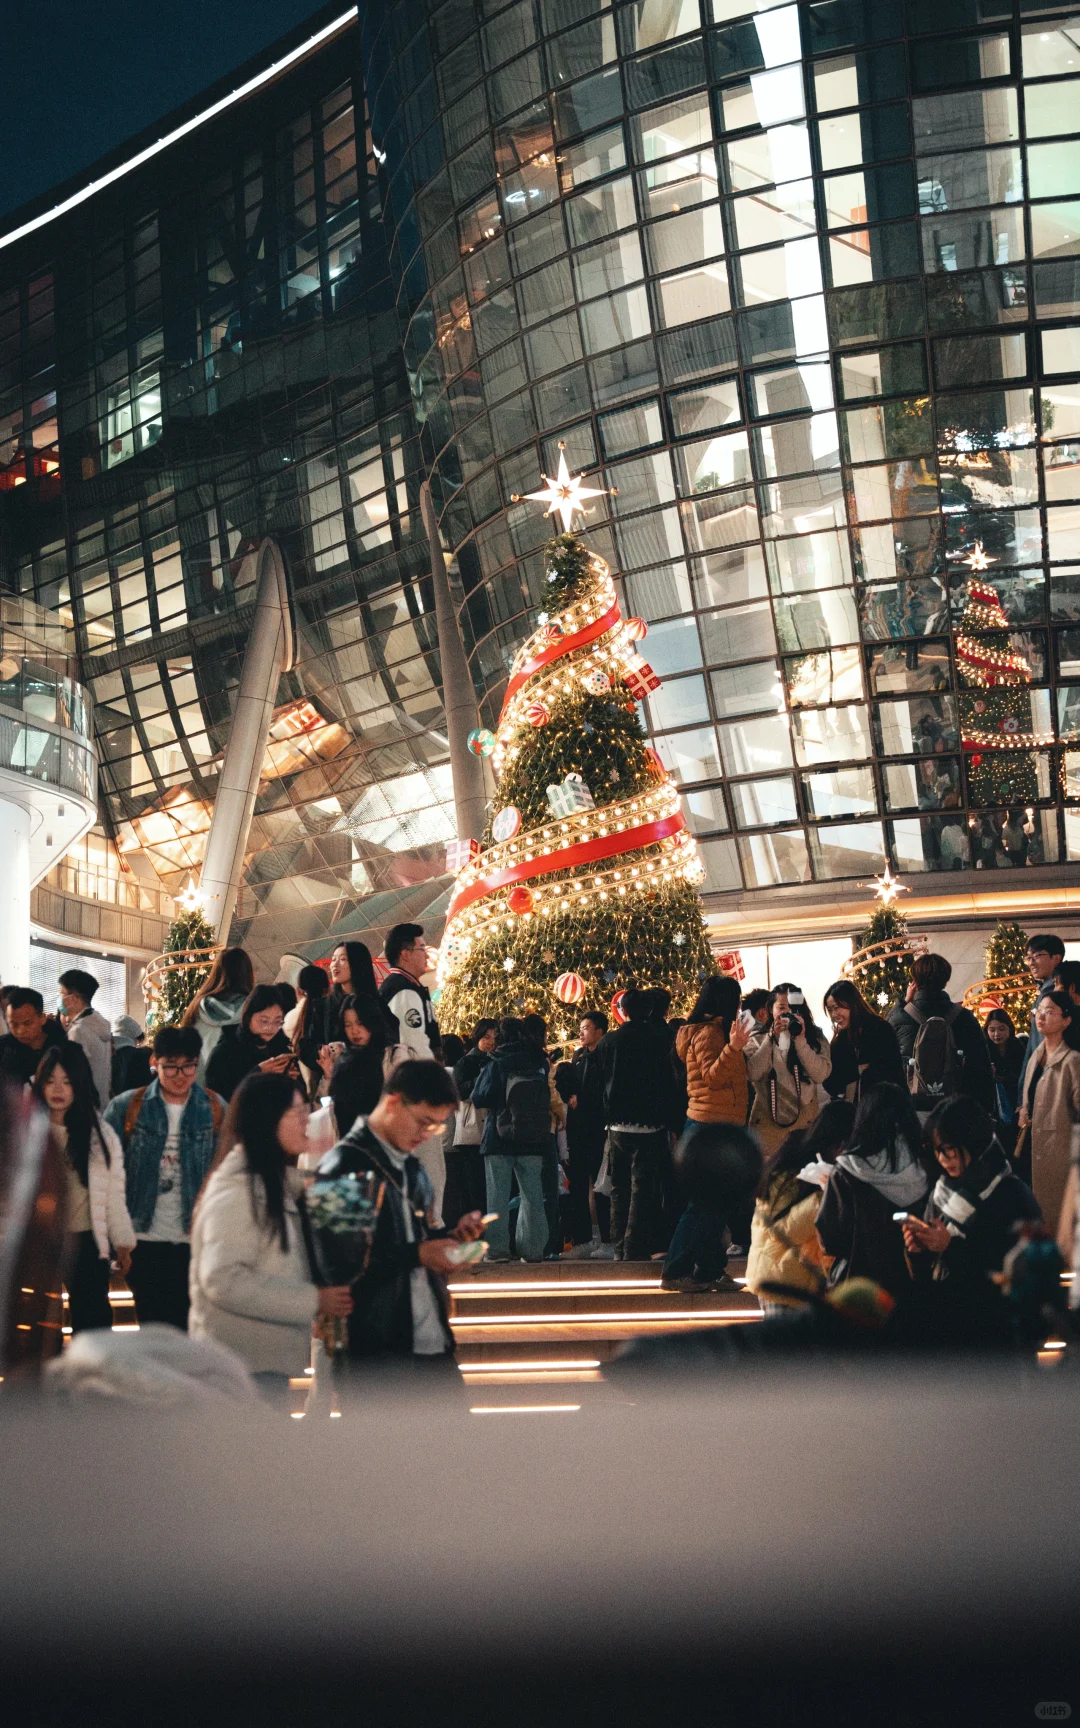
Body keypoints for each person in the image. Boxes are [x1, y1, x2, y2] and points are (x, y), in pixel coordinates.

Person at [316, 1059, 485, 1368]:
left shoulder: (412, 1167)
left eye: (437, 1125)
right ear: (393, 1103)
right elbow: (334, 1268)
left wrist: (449, 1240)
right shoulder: (342, 1164)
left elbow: (414, 1236)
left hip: (432, 1341)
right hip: (374, 1351)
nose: (428, 1134)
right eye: (424, 1122)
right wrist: (419, 1254)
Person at [189, 1072, 353, 1380]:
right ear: (266, 1120)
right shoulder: (238, 1191)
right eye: (299, 1112)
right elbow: (222, 1279)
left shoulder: (272, 1184)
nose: (308, 1121)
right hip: (240, 1366)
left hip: (259, 1360)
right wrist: (314, 1300)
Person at [103, 1024, 224, 1330]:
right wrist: (116, 1237)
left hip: (194, 1236)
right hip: (143, 1235)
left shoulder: (214, 1108)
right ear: (155, 1063)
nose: (180, 1075)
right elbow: (107, 1172)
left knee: (190, 1324)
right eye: (171, 1068)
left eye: (188, 1067)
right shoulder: (127, 1107)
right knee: (152, 1322)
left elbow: (226, 1172)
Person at [32, 1045, 136, 1336]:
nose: (58, 1090)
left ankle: (89, 1379)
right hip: (42, 1242)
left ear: (80, 1085)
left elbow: (113, 1194)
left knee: (93, 1323)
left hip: (87, 1241)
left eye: (67, 1082)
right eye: (50, 1081)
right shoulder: (29, 1133)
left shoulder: (99, 1135)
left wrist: (123, 1240)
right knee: (39, 1327)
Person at [665, 976, 752, 1291]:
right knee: (705, 1205)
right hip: (710, 1124)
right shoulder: (708, 1034)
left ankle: (710, 1270)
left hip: (715, 1122)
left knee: (714, 1204)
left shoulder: (710, 1032)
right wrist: (735, 1047)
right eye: (737, 999)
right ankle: (676, 1270)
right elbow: (713, 1077)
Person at [902, 1096, 1040, 1285]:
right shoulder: (943, 1190)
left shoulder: (1011, 1194)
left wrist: (949, 1246)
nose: (941, 1158)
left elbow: (1012, 1274)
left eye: (948, 1149)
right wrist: (918, 1252)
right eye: (936, 1149)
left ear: (972, 1141)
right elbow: (928, 1278)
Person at [815, 1082, 928, 1298]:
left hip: (859, 1288)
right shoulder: (927, 1165)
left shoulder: (847, 1171)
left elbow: (829, 1238)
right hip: (914, 1284)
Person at [745, 1101, 854, 1314]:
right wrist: (826, 1196)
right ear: (837, 1142)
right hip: (781, 1283)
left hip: (799, 1282)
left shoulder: (805, 1162)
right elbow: (786, 1229)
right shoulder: (790, 1170)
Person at [600, 988, 678, 1262]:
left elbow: (601, 1080)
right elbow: (669, 1081)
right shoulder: (661, 1038)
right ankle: (634, 1248)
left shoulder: (610, 1040)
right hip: (650, 1125)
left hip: (617, 1125)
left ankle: (618, 1246)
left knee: (618, 1188)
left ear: (623, 1009)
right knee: (643, 1190)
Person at [378, 924, 445, 1219]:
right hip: (415, 1095)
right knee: (428, 1167)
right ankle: (428, 1232)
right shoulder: (403, 991)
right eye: (421, 949)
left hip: (407, 1094)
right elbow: (414, 1045)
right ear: (405, 955)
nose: (426, 955)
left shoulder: (408, 987)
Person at [472, 1017, 551, 1262]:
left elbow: (480, 1097)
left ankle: (497, 1251)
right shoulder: (539, 1062)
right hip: (533, 1138)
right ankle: (533, 1249)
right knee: (533, 1195)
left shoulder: (496, 1062)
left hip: (499, 1136)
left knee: (497, 1196)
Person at [663, 1119, 762, 1296]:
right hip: (707, 1122)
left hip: (726, 1120)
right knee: (701, 1206)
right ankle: (674, 1271)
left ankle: (710, 1270)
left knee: (718, 1207)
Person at [887, 953, 995, 1114]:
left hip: (910, 1109)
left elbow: (886, 1061)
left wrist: (903, 1002)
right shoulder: (964, 1017)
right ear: (945, 981)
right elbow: (981, 1067)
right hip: (955, 1109)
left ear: (915, 982)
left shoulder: (899, 1018)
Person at [1018, 989, 1080, 1235]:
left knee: (1058, 1221)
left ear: (1066, 1020)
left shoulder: (1072, 1061)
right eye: (1038, 1011)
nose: (1040, 1017)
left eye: (1049, 1012)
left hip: (1060, 1153)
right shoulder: (1036, 1055)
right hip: (1032, 1150)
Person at [746, 982, 832, 1160]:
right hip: (767, 1123)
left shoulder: (814, 1037)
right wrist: (771, 1038)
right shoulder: (757, 1039)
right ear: (770, 1009)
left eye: (793, 1008)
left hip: (804, 1122)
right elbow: (752, 1073)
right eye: (782, 1008)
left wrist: (801, 1041)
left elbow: (820, 1074)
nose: (788, 1013)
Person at [564, 1010, 610, 1257]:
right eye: (580, 1027)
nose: (581, 1032)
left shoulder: (606, 1055)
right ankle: (583, 1241)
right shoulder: (578, 1056)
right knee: (579, 1185)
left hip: (599, 1127)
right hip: (578, 1129)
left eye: (587, 1028)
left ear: (600, 1032)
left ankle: (607, 1239)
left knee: (602, 1187)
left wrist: (583, 1099)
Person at [522, 1012, 566, 1258]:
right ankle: (548, 1246)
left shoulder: (513, 1057)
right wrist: (561, 1114)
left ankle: (527, 1243)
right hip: (544, 1129)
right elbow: (550, 1091)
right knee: (549, 1190)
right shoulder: (541, 1060)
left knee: (527, 1191)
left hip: (519, 1132)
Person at [205, 985, 295, 1102]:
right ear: (248, 1017)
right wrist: (258, 1073)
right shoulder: (224, 1053)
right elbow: (217, 1103)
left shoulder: (281, 1048)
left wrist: (291, 1081)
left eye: (277, 1021)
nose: (270, 1028)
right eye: (264, 1021)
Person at [446, 1020, 496, 1231]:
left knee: (488, 1187)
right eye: (486, 1038)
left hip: (493, 1130)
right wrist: (482, 1077)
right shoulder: (466, 1063)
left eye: (495, 1038)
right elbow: (460, 1092)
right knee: (473, 1187)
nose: (491, 1042)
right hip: (471, 1131)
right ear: (478, 1038)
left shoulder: (498, 1060)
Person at [181, 947, 256, 1084]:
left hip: (196, 1090)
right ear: (247, 973)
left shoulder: (196, 1008)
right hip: (235, 1093)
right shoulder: (253, 1011)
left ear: (216, 971)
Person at [823, 979, 906, 1102]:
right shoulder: (840, 1040)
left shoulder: (880, 1029)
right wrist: (860, 1069)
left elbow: (891, 1071)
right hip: (856, 1113)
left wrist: (853, 1071)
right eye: (830, 1010)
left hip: (886, 1107)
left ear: (852, 1004)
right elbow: (831, 1083)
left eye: (836, 1007)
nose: (834, 1015)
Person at [316, 995, 387, 1138]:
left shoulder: (391, 1056)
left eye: (360, 1023)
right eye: (348, 1025)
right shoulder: (340, 1058)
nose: (354, 1031)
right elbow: (322, 1108)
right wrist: (329, 1076)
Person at [58, 969, 112, 1105]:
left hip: (85, 1106)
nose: (59, 999)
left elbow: (74, 1075)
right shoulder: (98, 1023)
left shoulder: (78, 1031)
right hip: (101, 1103)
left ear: (73, 999)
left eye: (61, 993)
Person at [0, 987, 67, 1087]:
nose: (20, 1031)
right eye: (14, 1024)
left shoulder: (63, 1048)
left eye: (28, 1023)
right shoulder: (4, 1048)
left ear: (43, 1018)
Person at [984, 1007, 1026, 1159]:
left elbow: (1024, 1075)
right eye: (992, 1029)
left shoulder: (1018, 1047)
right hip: (994, 1110)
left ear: (1009, 1028)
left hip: (1016, 1105)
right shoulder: (984, 1050)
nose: (996, 1034)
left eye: (1001, 1029)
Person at [1022, 934, 1066, 1073]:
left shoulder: (1060, 993)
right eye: (1029, 958)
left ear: (1056, 958)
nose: (1031, 963)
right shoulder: (1043, 993)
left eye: (1037, 956)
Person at [286, 963, 330, 1094]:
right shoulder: (331, 1014)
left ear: (298, 991)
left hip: (302, 1093)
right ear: (327, 989)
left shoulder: (289, 1019)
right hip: (327, 1088)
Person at [327, 941, 387, 1037]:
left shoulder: (376, 1003)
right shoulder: (327, 1006)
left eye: (343, 959)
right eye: (333, 959)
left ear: (358, 964)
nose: (335, 964)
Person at [111, 1015, 152, 1096]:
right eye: (138, 1041)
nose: (137, 1044)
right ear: (134, 1037)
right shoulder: (142, 1056)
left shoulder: (108, 1054)